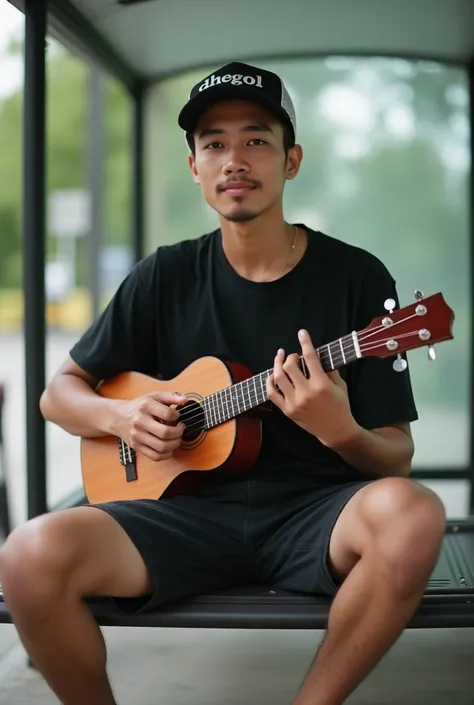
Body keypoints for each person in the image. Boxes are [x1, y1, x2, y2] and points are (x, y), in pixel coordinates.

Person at [0, 61, 446, 705]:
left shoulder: (356, 278)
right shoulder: (164, 276)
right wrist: (123, 420)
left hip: (315, 514)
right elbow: (58, 394)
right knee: (28, 554)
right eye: (213, 143)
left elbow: (394, 459)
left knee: (414, 517)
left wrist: (340, 430)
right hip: (178, 516)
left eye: (256, 139)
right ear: (195, 168)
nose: (234, 158)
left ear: (291, 160)